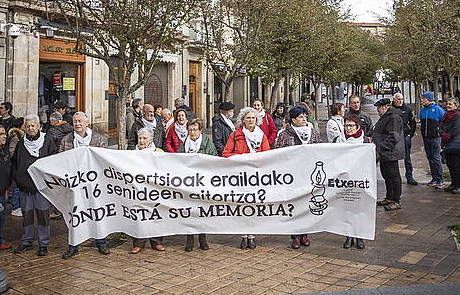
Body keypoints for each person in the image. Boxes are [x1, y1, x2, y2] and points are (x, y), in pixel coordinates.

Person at [60, 112, 110, 259]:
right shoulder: (66, 140)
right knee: (75, 214)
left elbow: (104, 160)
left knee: (97, 212)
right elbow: (61, 160)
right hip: (75, 184)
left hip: (94, 184)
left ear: (87, 123)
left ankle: (101, 242)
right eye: (75, 121)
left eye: (80, 121)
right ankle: (73, 246)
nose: (77, 123)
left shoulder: (99, 139)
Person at [222, 107, 270, 249]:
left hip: (256, 176)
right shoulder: (236, 135)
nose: (250, 120)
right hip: (240, 176)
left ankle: (252, 235)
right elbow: (226, 153)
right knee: (242, 205)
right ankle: (243, 235)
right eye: (248, 118)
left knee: (254, 205)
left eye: (253, 118)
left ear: (257, 120)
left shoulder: (262, 136)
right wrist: (242, 158)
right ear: (243, 120)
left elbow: (267, 155)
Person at [12, 114, 57, 256]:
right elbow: (16, 163)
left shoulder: (47, 141)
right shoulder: (21, 143)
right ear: (24, 127)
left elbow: (53, 160)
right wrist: (18, 178)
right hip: (26, 187)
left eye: (33, 125)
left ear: (38, 126)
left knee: (43, 214)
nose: (31, 128)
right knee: (27, 215)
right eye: (28, 126)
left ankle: (43, 243)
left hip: (41, 186)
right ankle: (27, 241)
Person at [275, 106, 320, 249]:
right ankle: (295, 235)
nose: (304, 119)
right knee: (295, 206)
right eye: (301, 117)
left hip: (308, 174)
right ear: (293, 119)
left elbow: (319, 150)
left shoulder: (312, 132)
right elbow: (278, 154)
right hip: (292, 176)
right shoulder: (284, 134)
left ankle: (305, 234)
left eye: (305, 116)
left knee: (307, 204)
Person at [179, 119, 217, 251]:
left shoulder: (207, 142)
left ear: (200, 130)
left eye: (195, 129)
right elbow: (178, 160)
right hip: (188, 182)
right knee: (189, 211)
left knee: (202, 211)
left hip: (203, 182)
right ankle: (189, 238)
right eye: (190, 130)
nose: (192, 132)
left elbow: (213, 158)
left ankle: (202, 238)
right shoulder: (184, 143)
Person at [130, 128, 166, 254]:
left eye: (144, 138)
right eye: (140, 138)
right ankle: (138, 243)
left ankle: (156, 241)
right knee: (139, 216)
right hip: (138, 190)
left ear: (151, 139)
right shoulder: (131, 154)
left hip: (154, 190)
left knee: (155, 215)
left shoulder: (159, 152)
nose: (141, 141)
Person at [340, 115, 367, 248]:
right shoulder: (339, 140)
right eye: (346, 125)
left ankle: (360, 236)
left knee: (359, 208)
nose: (348, 128)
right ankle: (348, 236)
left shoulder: (364, 141)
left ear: (357, 127)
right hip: (345, 180)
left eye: (351, 126)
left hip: (360, 179)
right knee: (347, 209)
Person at [373, 99, 405, 211]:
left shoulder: (393, 117)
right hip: (384, 152)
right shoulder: (387, 116)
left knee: (394, 176)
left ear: (386, 106)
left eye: (379, 107)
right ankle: (389, 197)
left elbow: (394, 136)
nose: (377, 110)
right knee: (386, 176)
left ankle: (396, 200)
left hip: (390, 152)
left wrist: (382, 147)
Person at [419, 91, 446, 188]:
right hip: (426, 138)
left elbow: (444, 123)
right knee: (430, 158)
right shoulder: (422, 110)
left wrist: (440, 133)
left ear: (429, 99)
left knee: (436, 158)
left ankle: (440, 179)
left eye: (424, 98)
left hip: (435, 138)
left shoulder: (438, 110)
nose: (422, 100)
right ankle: (434, 178)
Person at [392, 93, 417, 185]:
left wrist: (410, 134)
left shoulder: (407, 109)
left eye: (402, 99)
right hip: (394, 137)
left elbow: (412, 122)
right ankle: (395, 178)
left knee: (407, 158)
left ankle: (409, 177)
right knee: (393, 158)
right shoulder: (390, 109)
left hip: (405, 136)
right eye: (398, 99)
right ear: (394, 100)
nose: (400, 101)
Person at [440, 98, 460, 194]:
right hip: (447, 144)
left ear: (456, 106)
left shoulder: (458, 116)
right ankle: (453, 183)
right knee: (451, 165)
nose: (448, 105)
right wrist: (441, 133)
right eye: (447, 104)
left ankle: (458, 185)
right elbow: (441, 127)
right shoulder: (445, 115)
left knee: (456, 166)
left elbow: (456, 130)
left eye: (451, 104)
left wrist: (445, 135)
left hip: (456, 144)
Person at [7, 118, 24, 218]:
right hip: (16, 166)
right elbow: (12, 152)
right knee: (16, 187)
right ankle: (15, 207)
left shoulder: (19, 137)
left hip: (17, 165)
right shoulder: (15, 138)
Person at [0, 125, 12, 251]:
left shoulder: (4, 150)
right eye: (1, 134)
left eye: (4, 133)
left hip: (3, 190)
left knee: (1, 217)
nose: (4, 136)